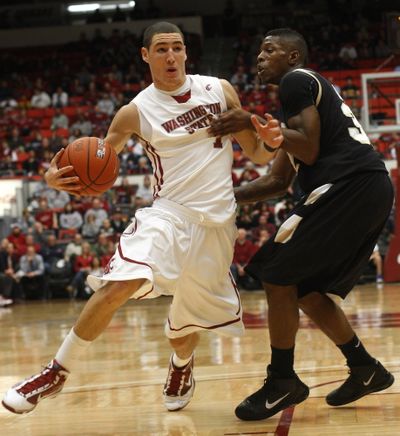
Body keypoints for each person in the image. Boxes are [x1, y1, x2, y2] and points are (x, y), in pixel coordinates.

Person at [2, 22, 282, 415]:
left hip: (217, 224)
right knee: (120, 282)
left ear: (186, 52)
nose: (171, 56)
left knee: (186, 327)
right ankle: (55, 372)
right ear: (145, 55)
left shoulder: (219, 90)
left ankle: (181, 366)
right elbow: (98, 168)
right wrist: (58, 179)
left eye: (178, 47)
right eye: (162, 49)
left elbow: (258, 155)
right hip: (168, 215)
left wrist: (270, 143)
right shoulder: (134, 112)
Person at [208, 28, 395, 421]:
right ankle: (364, 369)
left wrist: (254, 122)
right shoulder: (296, 115)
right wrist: (223, 196)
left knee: (276, 274)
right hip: (367, 187)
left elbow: (306, 146)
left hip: (349, 184)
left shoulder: (296, 81)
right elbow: (277, 181)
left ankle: (282, 380)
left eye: (269, 49)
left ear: (293, 57)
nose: (259, 57)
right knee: (307, 290)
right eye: (259, 50)